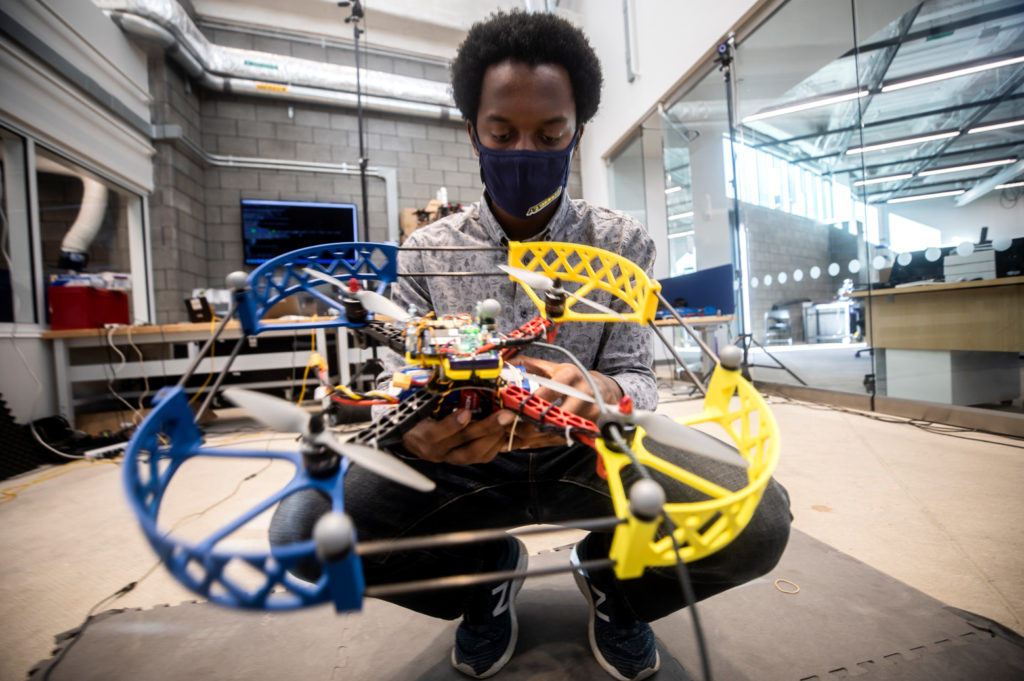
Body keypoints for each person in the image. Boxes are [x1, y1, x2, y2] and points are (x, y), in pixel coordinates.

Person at [270, 10, 791, 681]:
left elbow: (637, 377)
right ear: (472, 132)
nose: (524, 150)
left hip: (590, 452)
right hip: (465, 466)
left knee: (760, 519)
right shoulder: (427, 252)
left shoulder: (619, 241)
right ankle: (484, 578)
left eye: (550, 134)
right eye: (501, 132)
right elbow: (396, 378)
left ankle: (618, 586)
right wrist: (411, 433)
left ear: (577, 133)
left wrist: (605, 393)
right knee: (302, 534)